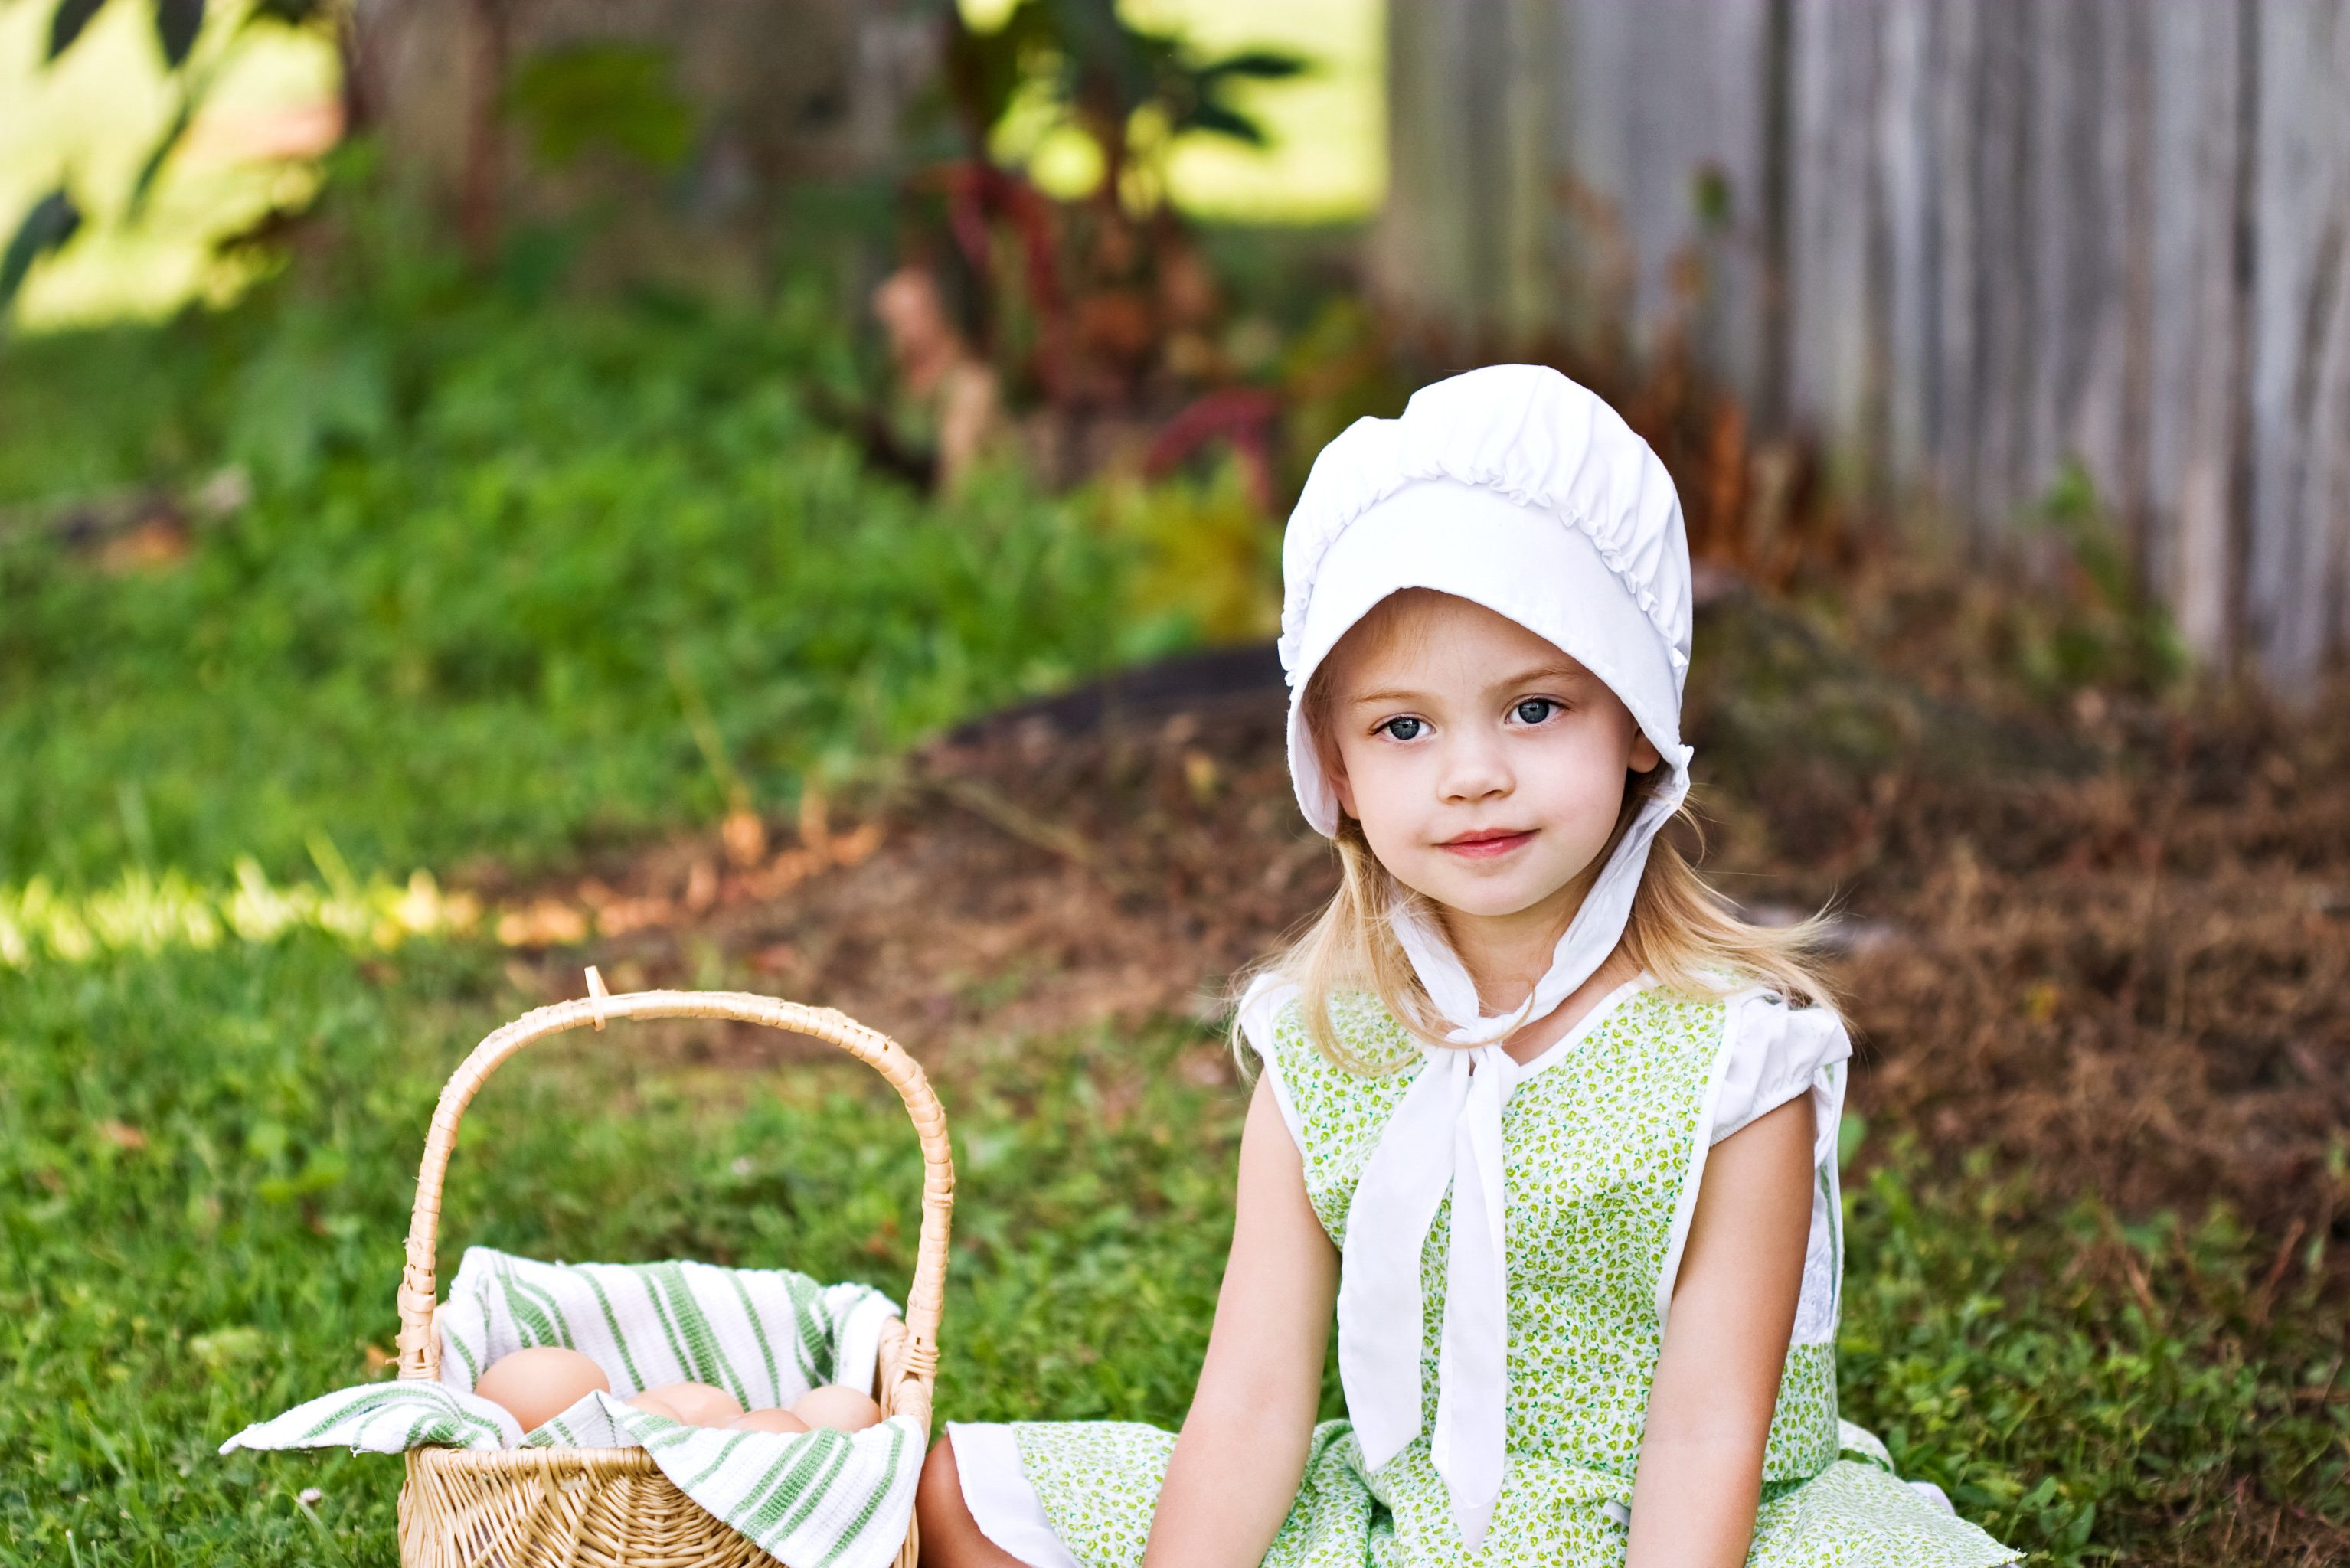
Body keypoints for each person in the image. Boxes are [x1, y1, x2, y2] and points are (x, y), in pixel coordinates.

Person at [914, 365, 2019, 1568]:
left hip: (1686, 1537)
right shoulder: (1324, 1045)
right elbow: (1249, 1404)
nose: (1472, 774)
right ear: (1333, 770)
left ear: (1637, 718)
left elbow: (1706, 1438)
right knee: (967, 1498)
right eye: (1403, 727)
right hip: (1418, 1526)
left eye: (1534, 709)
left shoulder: (1734, 1062)